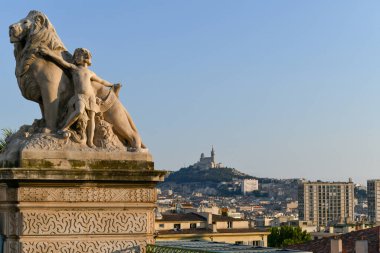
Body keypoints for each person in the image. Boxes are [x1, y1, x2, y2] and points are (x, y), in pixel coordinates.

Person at [39, 47, 119, 147]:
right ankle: (64, 128)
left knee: (91, 119)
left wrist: (111, 85)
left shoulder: (90, 73)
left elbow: (101, 81)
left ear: (85, 58)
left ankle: (90, 141)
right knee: (79, 111)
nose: (75, 58)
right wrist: (48, 53)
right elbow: (60, 61)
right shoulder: (74, 68)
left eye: (78, 56)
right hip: (80, 96)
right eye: (75, 56)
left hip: (90, 97)